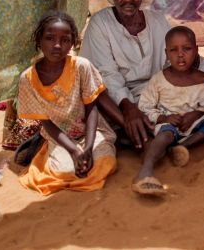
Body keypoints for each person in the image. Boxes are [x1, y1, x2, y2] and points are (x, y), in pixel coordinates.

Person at [17, 11, 125, 195]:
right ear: (39, 41)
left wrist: (89, 148)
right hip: (59, 136)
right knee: (64, 172)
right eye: (50, 38)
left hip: (92, 131)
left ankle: (87, 155)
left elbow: (92, 109)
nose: (57, 45)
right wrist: (74, 151)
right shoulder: (28, 78)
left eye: (65, 40)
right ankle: (44, 153)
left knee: (105, 164)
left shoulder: (81, 66)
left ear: (73, 43)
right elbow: (47, 123)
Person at [132, 26, 204, 196]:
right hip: (168, 126)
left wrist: (196, 114)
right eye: (174, 50)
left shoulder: (202, 78)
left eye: (187, 49)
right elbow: (144, 106)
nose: (180, 54)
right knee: (165, 135)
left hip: (193, 127)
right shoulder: (159, 79)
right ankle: (146, 170)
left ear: (196, 50)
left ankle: (181, 147)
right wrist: (163, 117)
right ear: (166, 54)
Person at [80, 0, 170, 149]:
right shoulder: (100, 23)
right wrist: (128, 108)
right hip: (114, 99)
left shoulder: (158, 21)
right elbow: (106, 74)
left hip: (153, 93)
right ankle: (133, 129)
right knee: (95, 94)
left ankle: (136, 132)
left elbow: (170, 63)